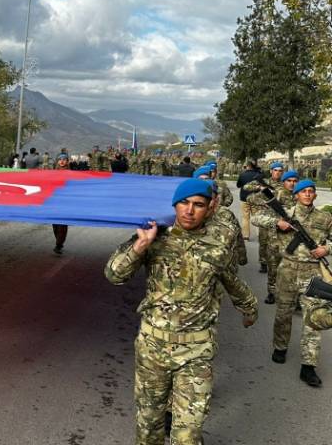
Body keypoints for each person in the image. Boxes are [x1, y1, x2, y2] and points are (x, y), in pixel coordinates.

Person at [105, 178, 257, 444]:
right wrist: (140, 247)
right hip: (153, 348)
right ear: (174, 206)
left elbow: (230, 279)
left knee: (188, 435)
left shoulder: (218, 243)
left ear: (211, 208)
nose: (189, 210)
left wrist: (249, 307)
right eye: (183, 203)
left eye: (198, 205)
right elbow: (114, 275)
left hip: (196, 353)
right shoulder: (155, 236)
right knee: (148, 428)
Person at [252, 179, 332, 387]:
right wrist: (277, 223)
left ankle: (308, 366)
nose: (307, 194)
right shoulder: (284, 211)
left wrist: (327, 249)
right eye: (302, 191)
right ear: (296, 194)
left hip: (313, 273)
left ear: (315, 195)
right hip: (287, 269)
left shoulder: (324, 218)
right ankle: (280, 348)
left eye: (310, 191)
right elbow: (256, 218)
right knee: (283, 313)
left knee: (314, 319)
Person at [249, 169, 298, 304]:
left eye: (295, 181)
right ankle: (272, 292)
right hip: (275, 239)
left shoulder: (301, 196)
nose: (292, 184)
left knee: (294, 272)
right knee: (273, 269)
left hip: (295, 242)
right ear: (283, 182)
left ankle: (296, 298)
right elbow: (255, 215)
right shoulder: (274, 195)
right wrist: (276, 221)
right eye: (289, 181)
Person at [245, 162, 283, 274]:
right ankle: (263, 263)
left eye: (280, 171)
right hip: (264, 216)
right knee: (263, 241)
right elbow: (247, 187)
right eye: (276, 170)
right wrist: (260, 188)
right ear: (271, 171)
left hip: (279, 216)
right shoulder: (265, 182)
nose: (278, 173)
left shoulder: (284, 184)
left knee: (277, 242)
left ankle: (276, 263)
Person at [236, 160, 263, 244]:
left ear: (247, 166)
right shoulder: (258, 174)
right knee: (258, 217)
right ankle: (260, 234)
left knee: (245, 217)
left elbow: (238, 185)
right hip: (256, 199)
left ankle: (246, 235)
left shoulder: (243, 174)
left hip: (244, 198)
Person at [52, 153, 69, 254]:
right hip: (54, 201)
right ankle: (59, 242)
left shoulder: (71, 173)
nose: (62, 161)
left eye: (64, 159)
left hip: (65, 202)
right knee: (55, 224)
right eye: (60, 159)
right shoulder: (53, 173)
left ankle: (58, 244)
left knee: (62, 224)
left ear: (67, 161)